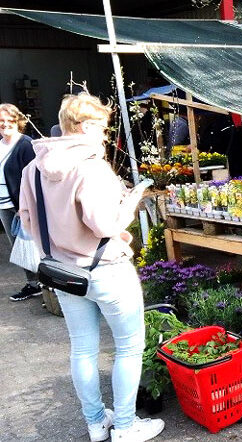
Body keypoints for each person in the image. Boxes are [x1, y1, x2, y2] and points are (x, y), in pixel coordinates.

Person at [18, 93, 165, 441]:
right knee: (128, 347)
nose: (105, 134)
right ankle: (127, 427)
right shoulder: (91, 167)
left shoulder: (32, 169)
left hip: (64, 272)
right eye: (101, 127)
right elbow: (105, 225)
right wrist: (130, 204)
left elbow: (26, 222)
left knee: (82, 348)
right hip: (106, 269)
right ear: (84, 126)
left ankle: (96, 422)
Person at [0, 103, 41, 301]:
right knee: (19, 246)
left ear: (18, 122)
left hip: (20, 207)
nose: (5, 124)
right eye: (1, 121)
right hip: (3, 206)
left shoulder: (26, 145)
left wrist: (24, 206)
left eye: (9, 120)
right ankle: (33, 284)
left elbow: (33, 178)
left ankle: (47, 283)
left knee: (33, 245)